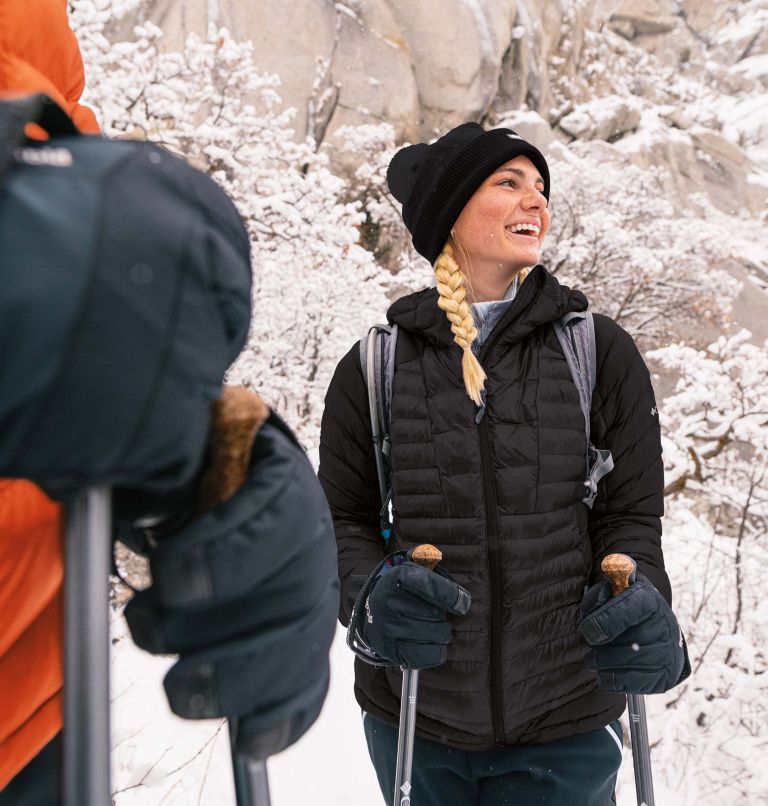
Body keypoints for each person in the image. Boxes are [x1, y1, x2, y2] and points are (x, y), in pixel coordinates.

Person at [319, 122, 690, 805]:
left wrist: (642, 602)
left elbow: (631, 513)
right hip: (416, 718)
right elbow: (340, 518)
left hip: (567, 720)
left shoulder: (597, 352)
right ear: (451, 214)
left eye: (541, 188)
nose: (536, 203)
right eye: (509, 183)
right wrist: (368, 600)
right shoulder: (376, 365)